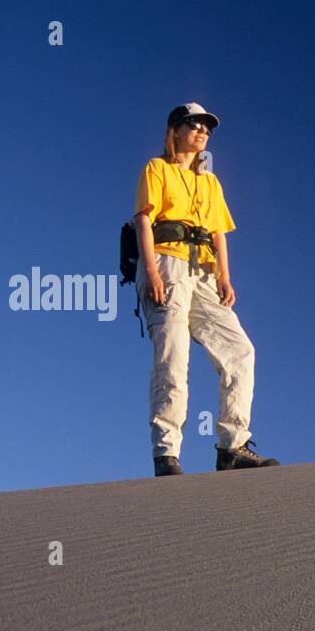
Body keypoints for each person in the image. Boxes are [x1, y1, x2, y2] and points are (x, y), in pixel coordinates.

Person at [133, 102, 280, 476]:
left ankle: (231, 447)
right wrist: (151, 272)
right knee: (173, 358)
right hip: (166, 264)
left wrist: (225, 277)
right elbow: (144, 219)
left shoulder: (210, 182)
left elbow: (219, 233)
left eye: (206, 128)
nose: (202, 131)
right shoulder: (157, 168)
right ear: (175, 130)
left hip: (204, 274)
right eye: (194, 124)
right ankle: (166, 454)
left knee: (240, 352)